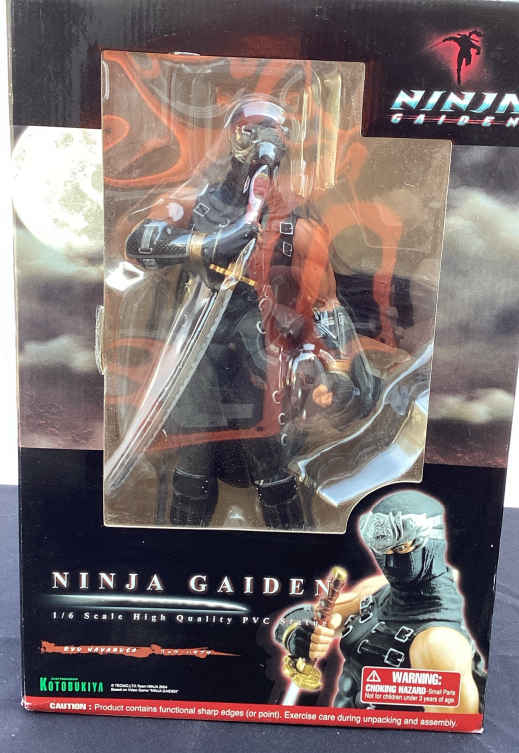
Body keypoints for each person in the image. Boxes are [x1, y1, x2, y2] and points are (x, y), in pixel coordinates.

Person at [125, 98, 377, 530]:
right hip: (198, 352)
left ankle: (294, 551)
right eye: (249, 134)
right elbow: (139, 242)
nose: (260, 148)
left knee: (272, 469)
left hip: (261, 355)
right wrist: (204, 245)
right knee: (192, 467)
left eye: (272, 137)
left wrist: (334, 372)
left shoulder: (296, 224)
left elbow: (325, 304)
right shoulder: (196, 205)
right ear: (232, 139)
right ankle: (177, 552)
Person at [276, 490, 486, 711]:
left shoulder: (439, 644)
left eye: (402, 548)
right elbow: (305, 616)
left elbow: (454, 731)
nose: (391, 563)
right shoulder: (376, 590)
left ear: (432, 542)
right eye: (382, 550)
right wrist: (299, 635)